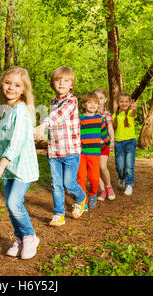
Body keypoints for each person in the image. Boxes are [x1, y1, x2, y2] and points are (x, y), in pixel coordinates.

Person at [0, 66, 40, 260]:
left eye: (17, 85)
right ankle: (19, 239)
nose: (11, 87)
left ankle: (30, 237)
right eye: (8, 82)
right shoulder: (8, 110)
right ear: (2, 84)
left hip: (21, 167)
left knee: (14, 203)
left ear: (23, 90)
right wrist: (4, 165)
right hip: (10, 167)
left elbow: (18, 140)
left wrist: (2, 164)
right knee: (10, 205)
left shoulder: (20, 110)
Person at [34, 66, 86, 227]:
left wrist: (43, 125)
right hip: (54, 152)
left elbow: (59, 115)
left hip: (70, 151)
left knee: (68, 184)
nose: (61, 83)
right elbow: (54, 121)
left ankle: (80, 198)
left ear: (72, 84)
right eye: (57, 80)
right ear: (53, 83)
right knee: (56, 184)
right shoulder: (53, 101)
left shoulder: (71, 101)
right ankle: (59, 214)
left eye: (66, 80)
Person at [77, 92, 111, 211]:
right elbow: (75, 133)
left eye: (95, 103)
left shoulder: (100, 119)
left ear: (98, 105)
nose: (92, 105)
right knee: (81, 178)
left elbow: (104, 133)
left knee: (94, 178)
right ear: (84, 105)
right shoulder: (80, 118)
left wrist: (108, 143)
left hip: (95, 154)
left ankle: (92, 194)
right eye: (89, 102)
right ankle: (83, 201)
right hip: (81, 153)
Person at [112, 92, 137, 196]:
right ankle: (121, 178)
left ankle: (129, 185)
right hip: (118, 143)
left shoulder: (131, 113)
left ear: (129, 102)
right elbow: (112, 128)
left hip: (130, 141)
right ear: (118, 103)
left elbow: (134, 113)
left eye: (126, 101)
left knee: (129, 165)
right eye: (121, 101)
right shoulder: (115, 115)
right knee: (120, 166)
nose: (124, 103)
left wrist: (134, 108)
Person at [93, 88, 116, 201]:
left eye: (101, 98)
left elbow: (110, 127)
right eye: (96, 98)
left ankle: (108, 187)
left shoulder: (106, 114)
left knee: (102, 167)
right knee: (94, 170)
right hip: (92, 146)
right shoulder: (90, 113)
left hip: (103, 145)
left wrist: (112, 139)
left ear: (105, 100)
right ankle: (102, 191)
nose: (99, 101)